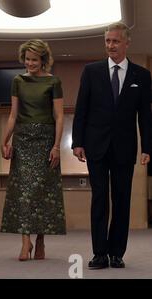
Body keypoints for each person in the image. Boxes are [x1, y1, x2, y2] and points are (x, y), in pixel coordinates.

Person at [72, 22, 152, 269]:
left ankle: (117, 253)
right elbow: (81, 109)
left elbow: (146, 115)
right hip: (96, 146)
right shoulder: (91, 71)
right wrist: (77, 142)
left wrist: (147, 147)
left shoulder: (142, 75)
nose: (111, 45)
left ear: (127, 43)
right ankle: (99, 253)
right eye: (107, 41)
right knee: (99, 199)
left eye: (116, 41)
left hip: (125, 148)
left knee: (121, 199)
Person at [0, 39, 66, 261]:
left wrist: (57, 146)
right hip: (24, 140)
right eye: (27, 59)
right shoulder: (18, 81)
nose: (30, 63)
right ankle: (24, 241)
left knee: (43, 194)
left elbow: (58, 116)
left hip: (46, 140)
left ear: (43, 60)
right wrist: (4, 140)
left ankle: (40, 241)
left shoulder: (53, 82)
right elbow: (13, 115)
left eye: (35, 59)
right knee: (24, 192)